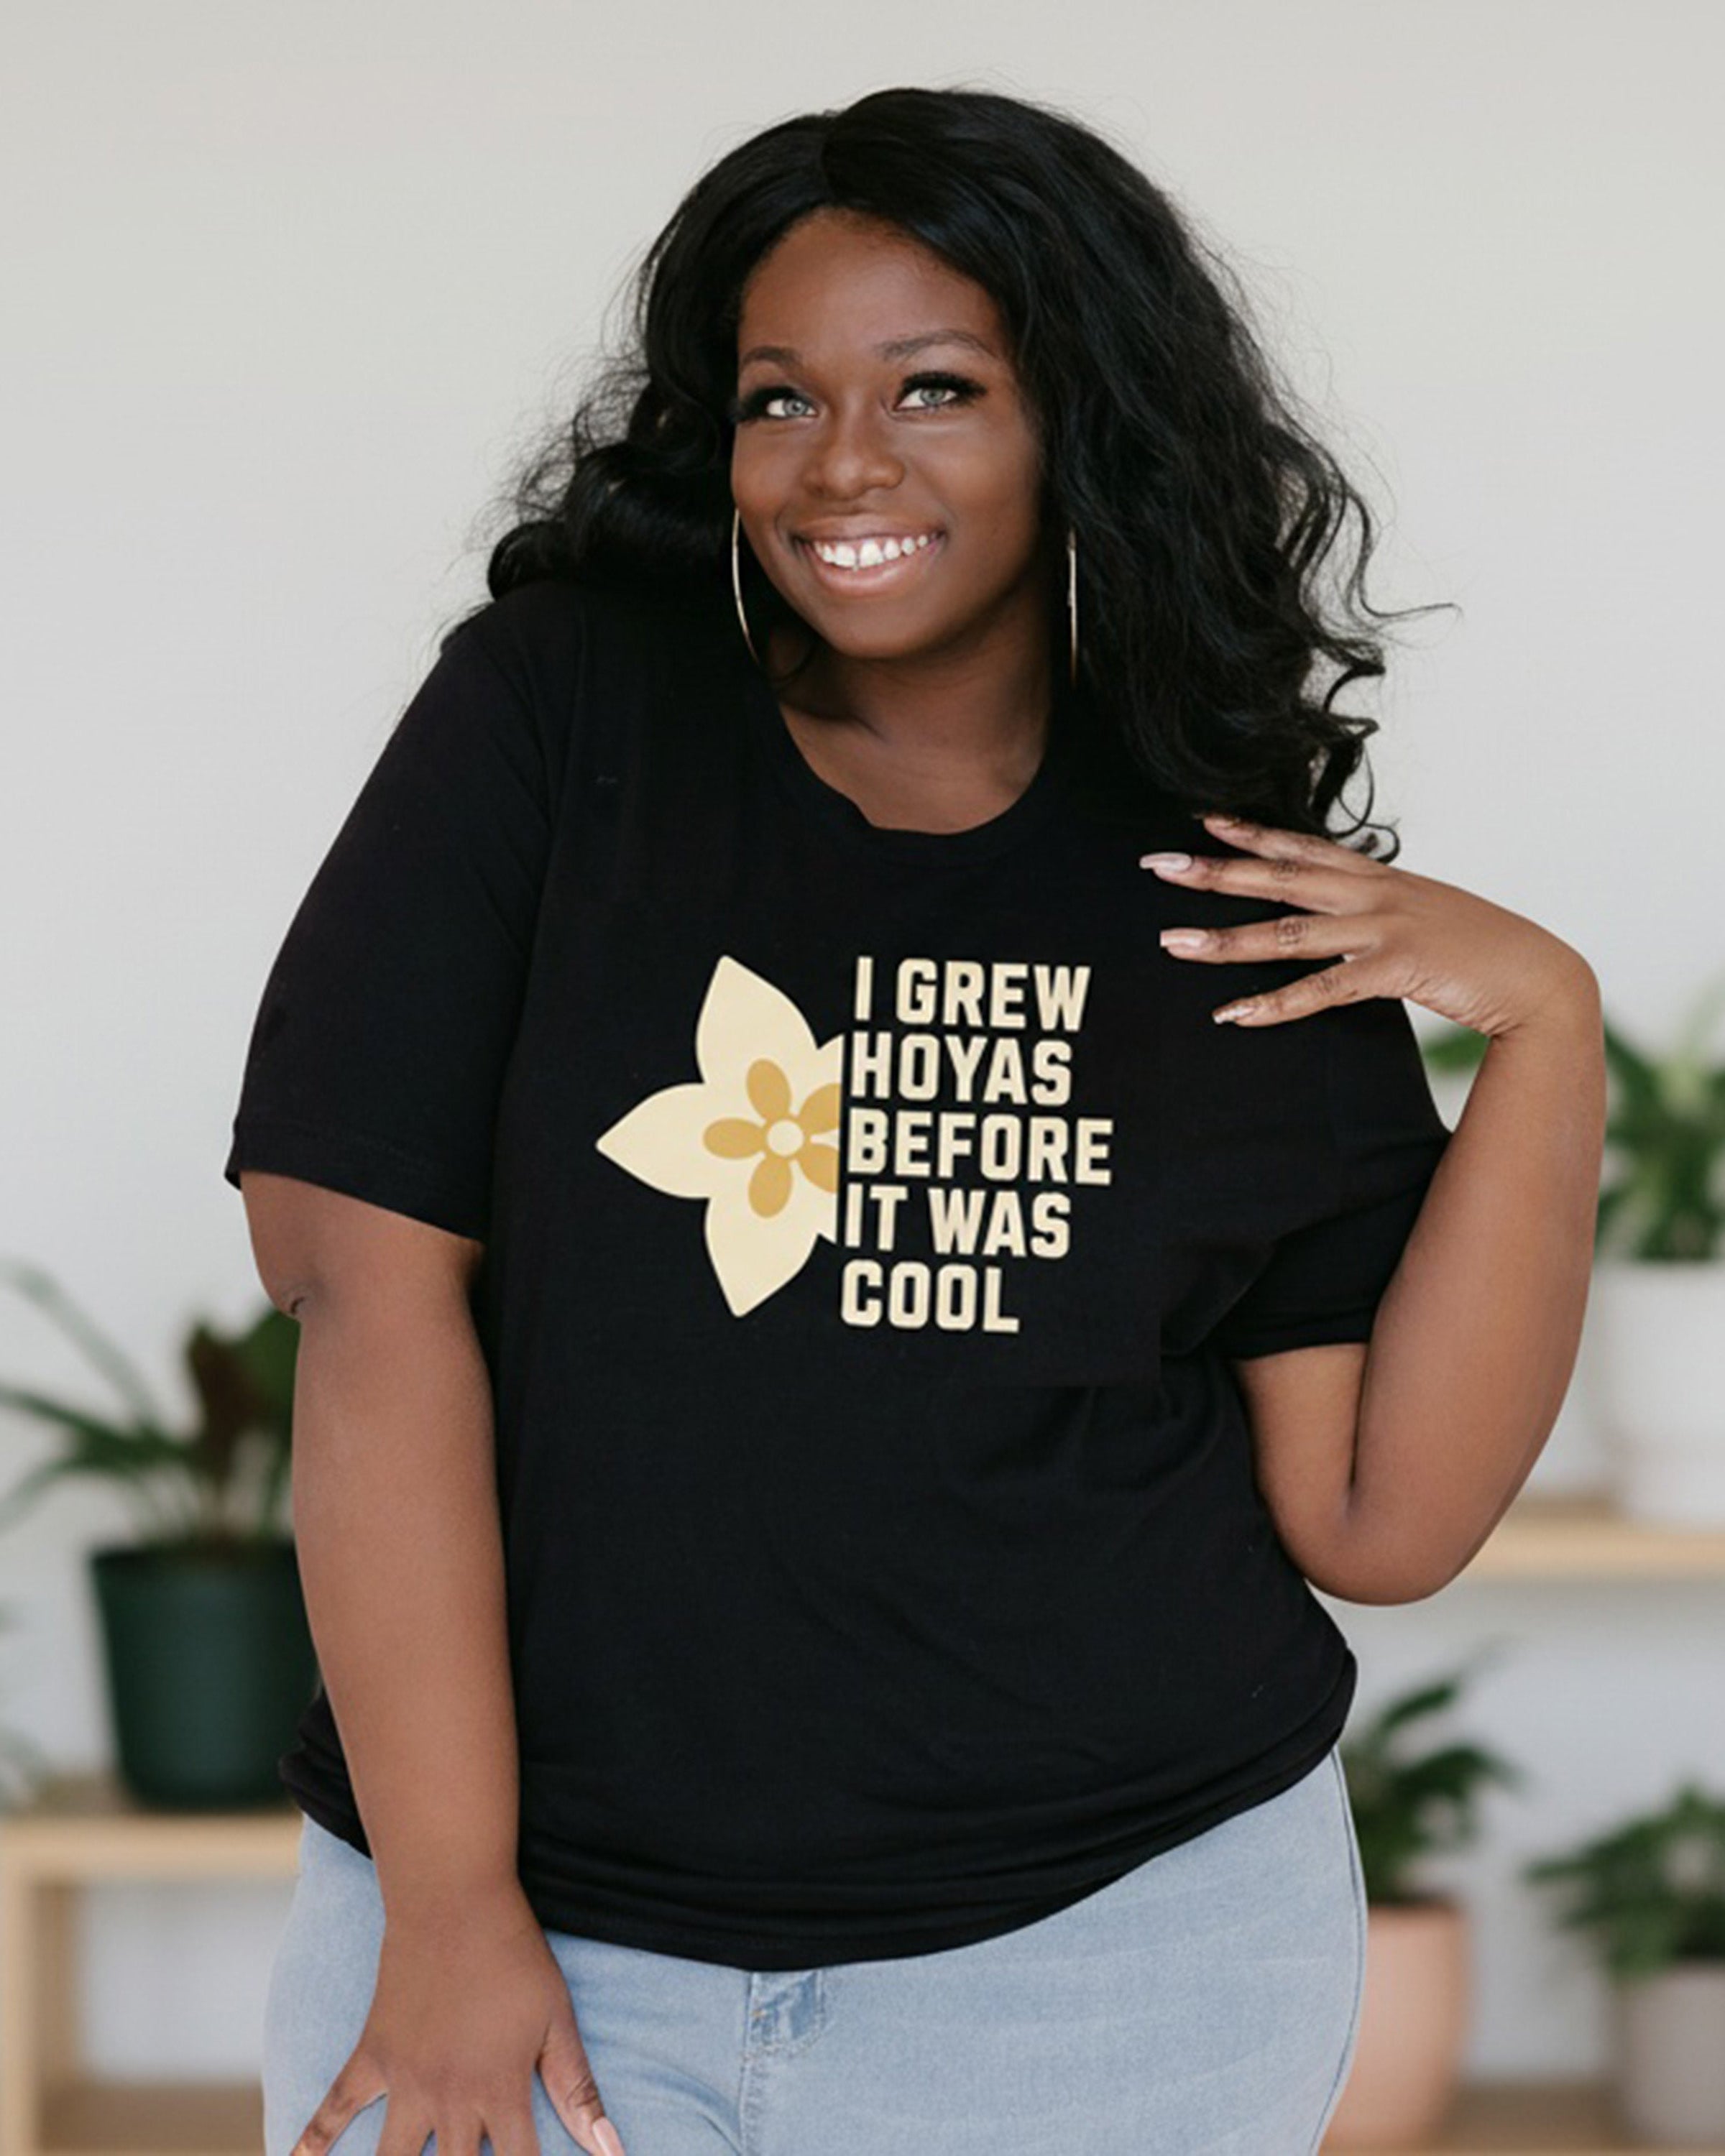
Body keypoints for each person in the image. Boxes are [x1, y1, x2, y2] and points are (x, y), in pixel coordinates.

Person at [224, 83, 1604, 2156]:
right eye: (781, 398)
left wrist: (1552, 1028)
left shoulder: (1220, 869)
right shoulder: (562, 716)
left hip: (1115, 1967)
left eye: (937, 386)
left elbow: (1378, 1524)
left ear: (1083, 421)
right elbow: (358, 1300)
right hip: (537, 1958)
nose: (843, 464)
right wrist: (448, 1908)